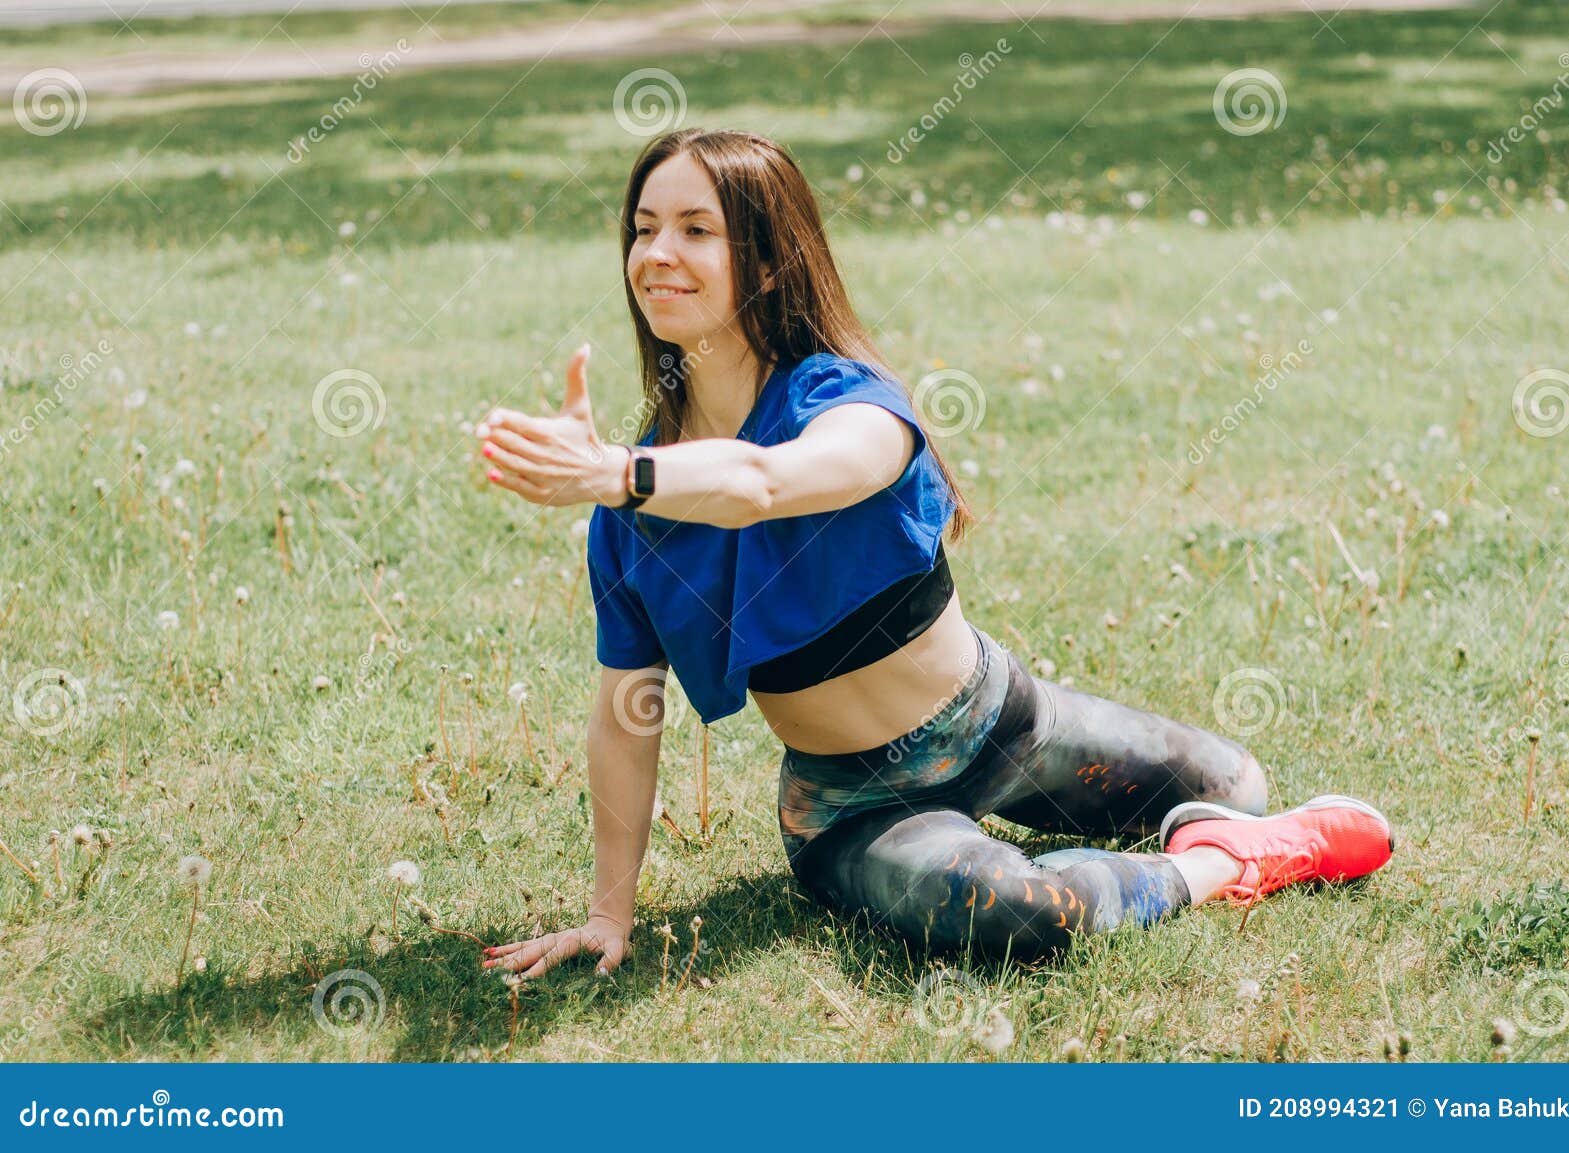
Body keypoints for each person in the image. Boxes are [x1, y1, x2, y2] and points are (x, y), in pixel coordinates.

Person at [474, 128, 1394, 981]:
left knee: (1234, 781)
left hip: (1001, 720)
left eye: (694, 229)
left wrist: (619, 471)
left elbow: (763, 482)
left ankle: (1211, 824)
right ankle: (1220, 866)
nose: (656, 253)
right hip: (855, 805)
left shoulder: (854, 405)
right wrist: (609, 913)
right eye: (642, 229)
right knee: (1014, 910)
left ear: (763, 257)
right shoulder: (631, 516)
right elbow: (626, 717)